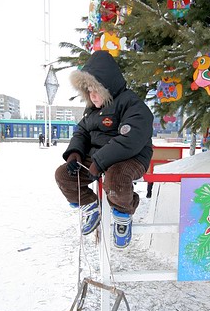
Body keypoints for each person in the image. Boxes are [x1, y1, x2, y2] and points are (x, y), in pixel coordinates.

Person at [55, 50, 154, 248]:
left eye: (96, 90)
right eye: (88, 90)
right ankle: (91, 205)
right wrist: (75, 154)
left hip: (131, 156)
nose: (92, 95)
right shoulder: (92, 109)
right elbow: (81, 132)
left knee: (116, 178)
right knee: (64, 175)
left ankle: (123, 213)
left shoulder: (132, 104)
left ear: (107, 86)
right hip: (98, 157)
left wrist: (99, 162)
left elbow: (130, 139)